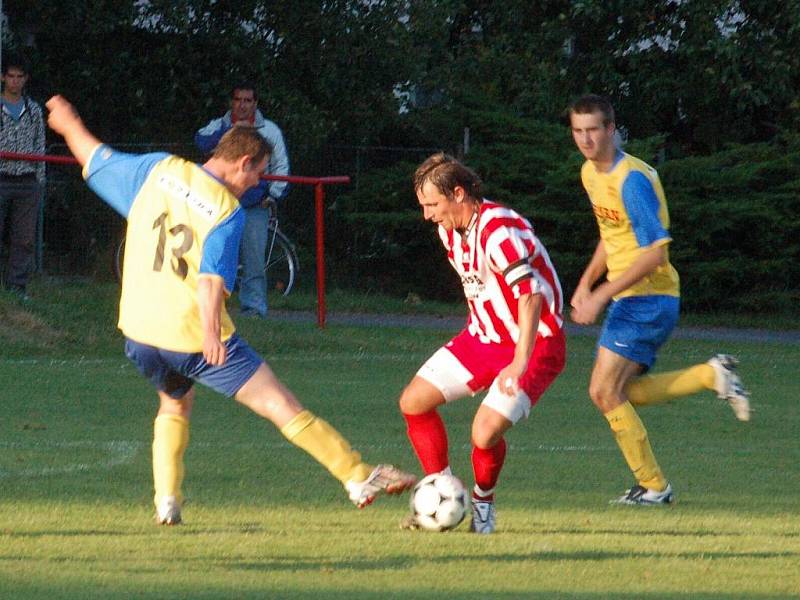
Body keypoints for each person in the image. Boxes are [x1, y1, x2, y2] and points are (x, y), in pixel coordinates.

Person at [46, 95, 414, 525]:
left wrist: (69, 121)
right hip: (191, 334)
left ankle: (167, 502)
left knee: (174, 402)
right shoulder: (225, 209)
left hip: (140, 333)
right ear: (243, 162)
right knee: (281, 404)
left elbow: (93, 154)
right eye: (258, 173)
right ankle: (356, 476)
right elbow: (211, 279)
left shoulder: (157, 171)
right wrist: (207, 332)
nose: (257, 182)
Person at [567, 94, 751, 506]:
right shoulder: (591, 173)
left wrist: (600, 296)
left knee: (604, 392)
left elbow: (655, 254)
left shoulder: (631, 180)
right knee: (622, 393)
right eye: (578, 131)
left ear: (612, 129)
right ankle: (710, 376)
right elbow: (611, 236)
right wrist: (586, 283)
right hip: (634, 298)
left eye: (594, 129)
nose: (586, 139)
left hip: (648, 297)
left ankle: (653, 487)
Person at [399, 153, 566, 534]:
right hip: (484, 338)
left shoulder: (499, 230)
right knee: (413, 402)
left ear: (458, 193)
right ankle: (440, 490)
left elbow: (530, 296)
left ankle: (483, 506)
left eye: (432, 205)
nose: (427, 216)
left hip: (535, 342)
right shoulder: (449, 230)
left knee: (484, 432)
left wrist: (519, 361)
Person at [195, 82, 289, 318]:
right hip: (218, 204)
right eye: (238, 100)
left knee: (254, 259)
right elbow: (200, 141)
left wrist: (272, 196)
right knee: (214, 255)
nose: (243, 105)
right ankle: (211, 307)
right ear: (232, 102)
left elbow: (282, 166)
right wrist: (231, 131)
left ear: (255, 103)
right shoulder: (221, 125)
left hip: (254, 206)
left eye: (248, 100)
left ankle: (254, 309)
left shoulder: (270, 130)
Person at [0, 57, 45, 299]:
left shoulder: (34, 110)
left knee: (24, 237)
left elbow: (40, 145)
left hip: (27, 179)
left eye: (20, 76)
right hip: (1, 176)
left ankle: (17, 286)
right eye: (11, 76)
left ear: (25, 79)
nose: (15, 81)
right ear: (3, 77)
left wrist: (39, 179)